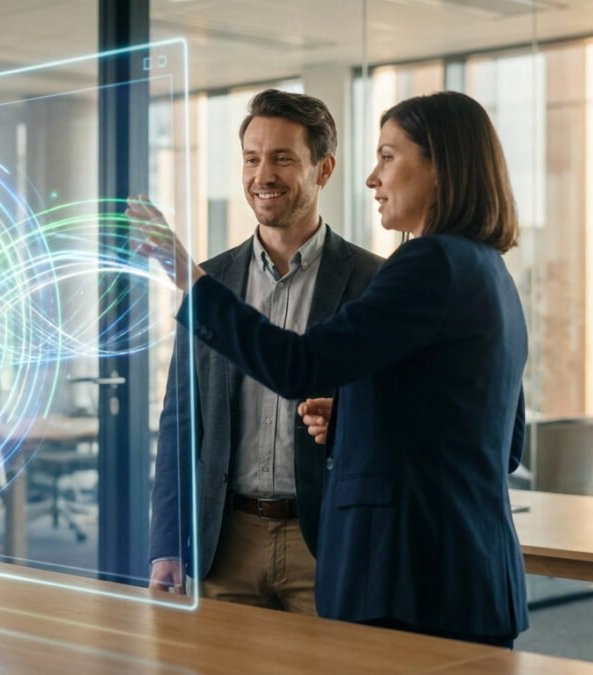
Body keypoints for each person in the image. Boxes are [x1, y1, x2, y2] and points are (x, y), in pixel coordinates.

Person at [133, 90, 527, 645]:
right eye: (250, 157)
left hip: (415, 577)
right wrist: (352, 419)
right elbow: (496, 439)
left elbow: (297, 365)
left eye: (389, 156)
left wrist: (184, 274)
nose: (374, 177)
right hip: (466, 576)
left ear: (440, 163)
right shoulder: (488, 270)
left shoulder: (423, 265)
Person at [147, 89, 384, 614]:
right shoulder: (215, 281)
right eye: (252, 159)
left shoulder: (374, 280)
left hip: (325, 539)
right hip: (225, 541)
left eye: (282, 158)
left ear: (324, 169)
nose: (263, 175)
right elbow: (180, 421)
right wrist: (167, 542)